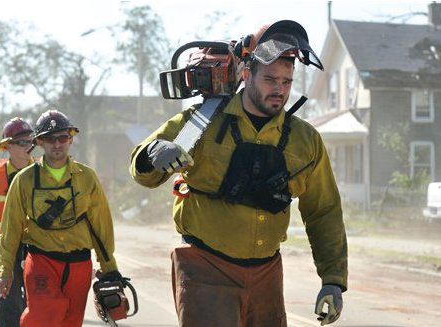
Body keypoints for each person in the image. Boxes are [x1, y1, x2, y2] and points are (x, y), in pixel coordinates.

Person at [130, 20, 347, 326]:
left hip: (267, 276)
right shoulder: (201, 123)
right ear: (247, 73)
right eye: (270, 79)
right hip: (206, 268)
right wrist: (154, 152)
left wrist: (333, 280)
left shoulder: (305, 140)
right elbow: (145, 172)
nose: (279, 90)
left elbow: (323, 211)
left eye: (287, 81)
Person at [0, 110, 121, 327]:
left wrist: (109, 267)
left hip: (79, 265)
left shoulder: (87, 177)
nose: (57, 144)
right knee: (42, 314)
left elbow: (101, 225)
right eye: (50, 139)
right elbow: (11, 228)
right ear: (40, 142)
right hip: (41, 261)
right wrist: (5, 270)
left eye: (63, 138)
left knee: (69, 322)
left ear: (71, 139)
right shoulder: (24, 180)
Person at [0, 117, 34, 327]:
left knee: (36, 303)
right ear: (8, 146)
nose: (27, 147)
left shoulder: (42, 174)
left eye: (30, 142)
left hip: (35, 248)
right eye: (21, 143)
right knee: (8, 304)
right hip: (4, 249)